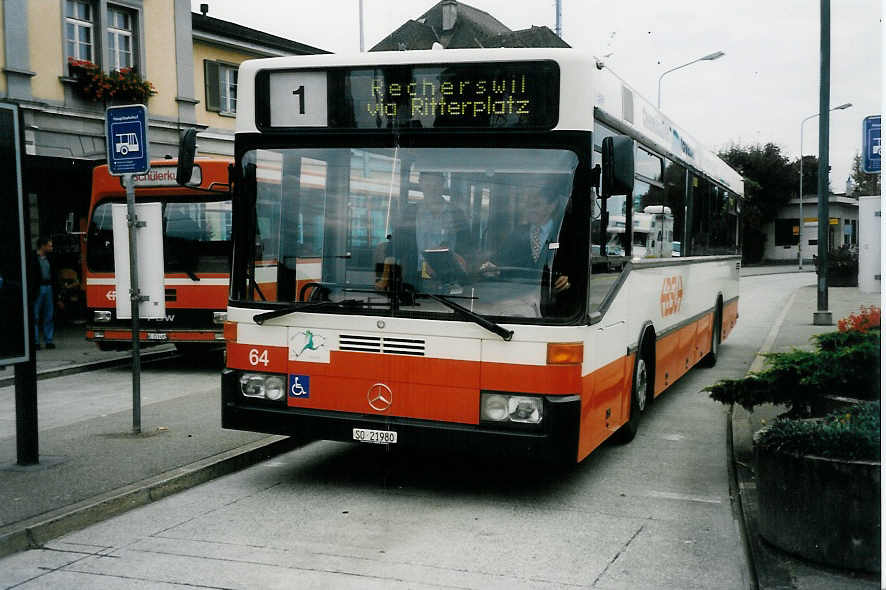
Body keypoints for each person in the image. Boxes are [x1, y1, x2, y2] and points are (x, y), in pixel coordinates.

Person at [481, 175, 571, 294]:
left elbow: (575, 271)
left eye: (536, 205)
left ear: (551, 207)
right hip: (516, 298)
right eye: (528, 205)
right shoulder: (517, 233)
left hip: (552, 302)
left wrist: (568, 281)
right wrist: (491, 267)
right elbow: (500, 262)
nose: (530, 209)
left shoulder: (564, 233)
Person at [31, 236, 57, 349]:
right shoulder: (33, 258)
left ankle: (48, 340)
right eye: (49, 245)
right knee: (35, 315)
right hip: (39, 287)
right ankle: (35, 341)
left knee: (49, 315)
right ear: (43, 246)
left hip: (48, 286)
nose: (51, 247)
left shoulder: (49, 258)